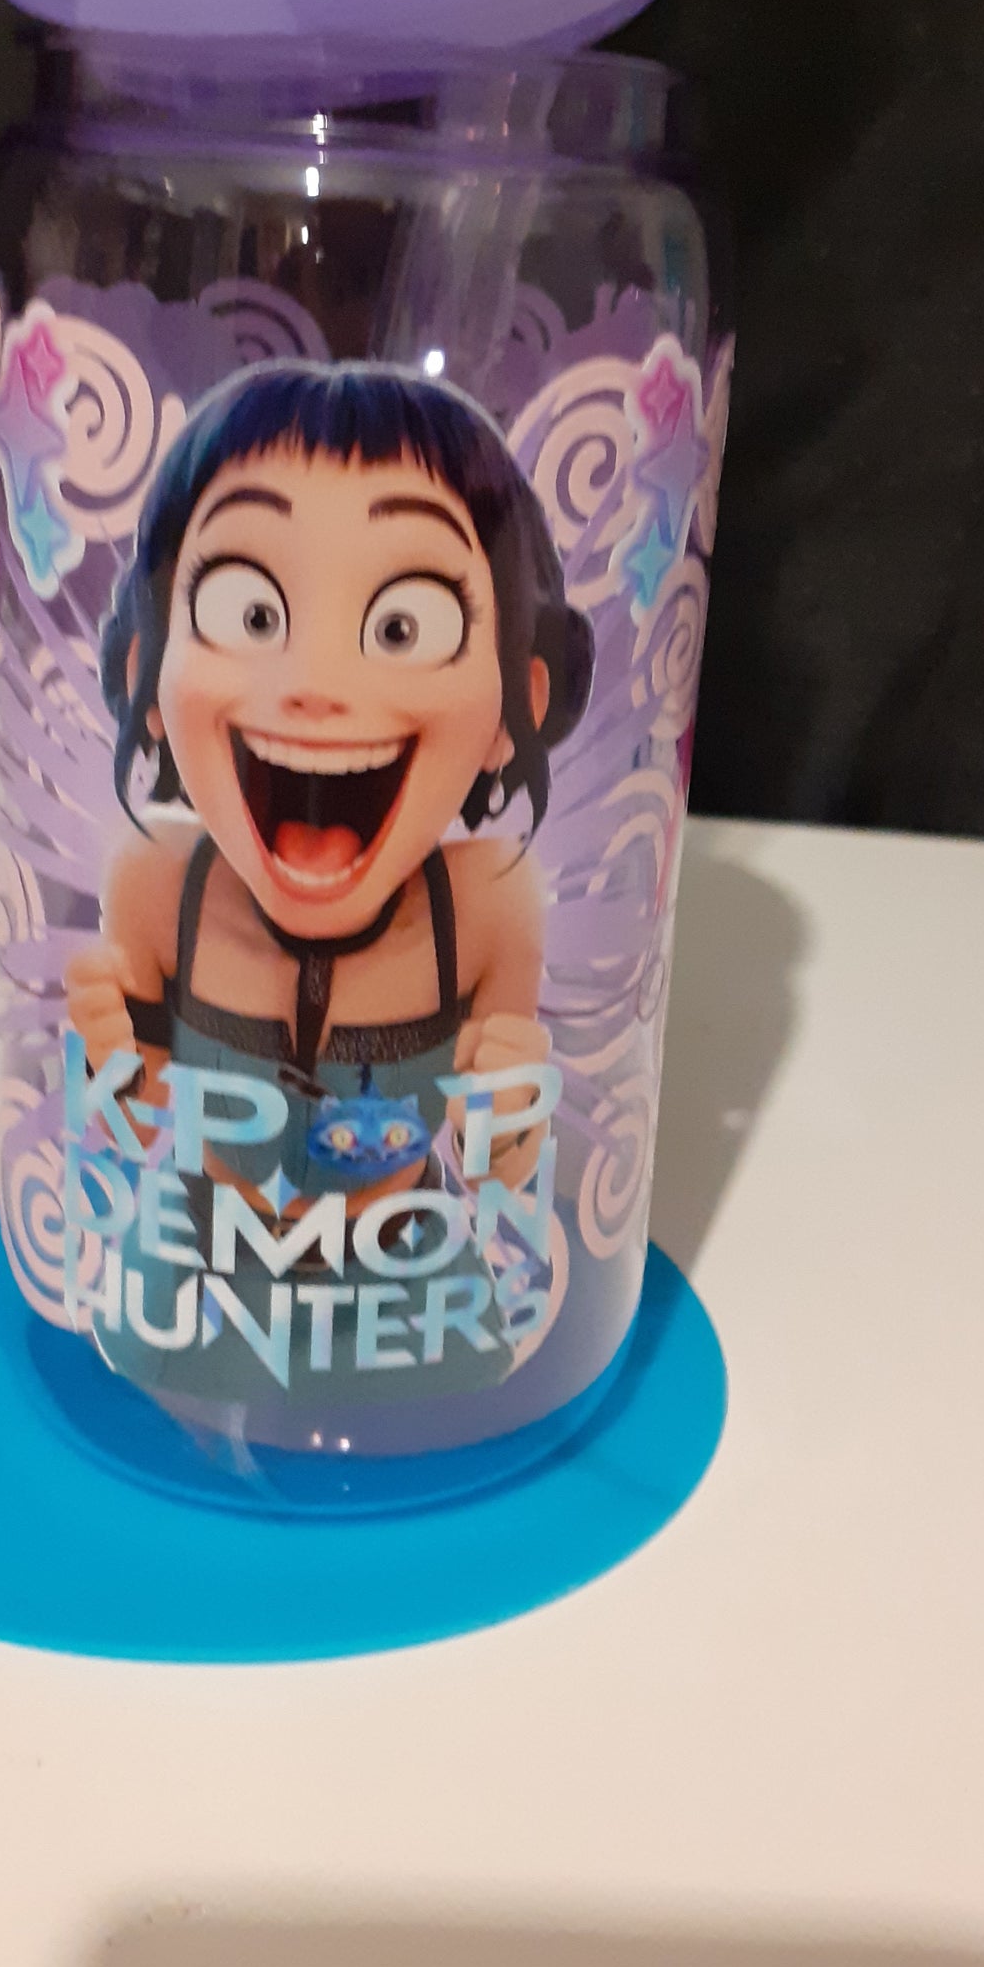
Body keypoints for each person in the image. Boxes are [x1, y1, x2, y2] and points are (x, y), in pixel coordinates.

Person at [65, 365, 594, 1356]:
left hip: (410, 1286)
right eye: (249, 612)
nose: (313, 683)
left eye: (405, 626)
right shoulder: (156, 883)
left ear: (515, 704)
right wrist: (112, 1065)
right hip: (192, 1267)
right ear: (146, 670)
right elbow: (134, 1120)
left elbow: (498, 1166)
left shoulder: (487, 904)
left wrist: (514, 1115)